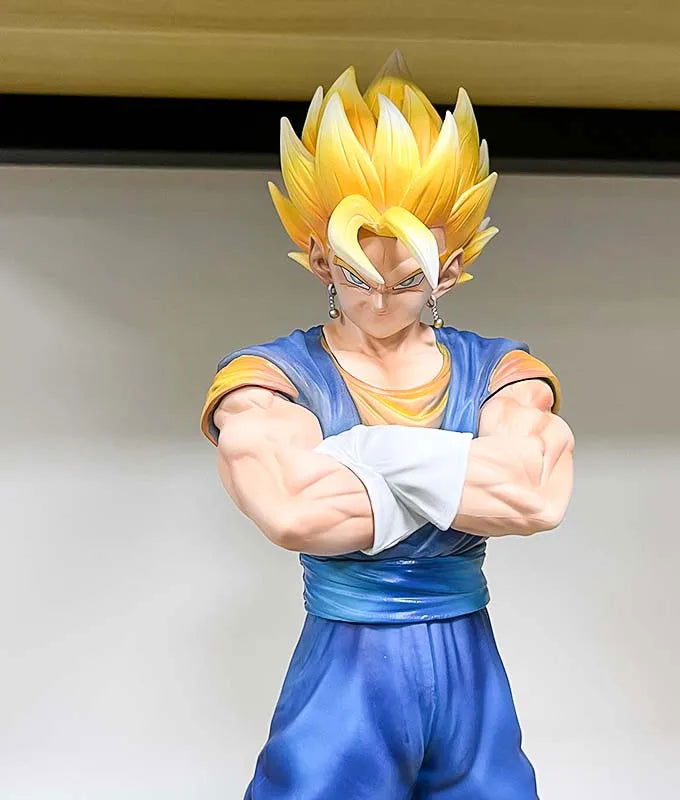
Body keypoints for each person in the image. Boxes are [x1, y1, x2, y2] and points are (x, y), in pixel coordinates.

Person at [200, 50, 575, 800]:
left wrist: (361, 451)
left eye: (408, 281)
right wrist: (456, 469)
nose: (379, 302)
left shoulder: (502, 370)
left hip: (470, 666)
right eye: (357, 275)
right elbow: (295, 512)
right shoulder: (267, 378)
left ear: (451, 269)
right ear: (319, 259)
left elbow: (533, 498)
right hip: (348, 667)